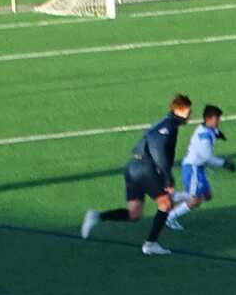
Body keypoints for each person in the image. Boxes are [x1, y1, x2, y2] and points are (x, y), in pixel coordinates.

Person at [80, 93, 190, 255]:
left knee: (134, 214)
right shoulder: (168, 127)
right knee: (166, 204)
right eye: (188, 111)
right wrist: (168, 179)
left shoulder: (165, 123)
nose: (190, 115)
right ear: (179, 110)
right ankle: (150, 244)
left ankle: (97, 217)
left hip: (132, 167)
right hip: (145, 168)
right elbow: (158, 151)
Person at [167, 103, 230, 228]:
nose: (219, 122)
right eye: (217, 119)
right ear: (209, 119)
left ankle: (174, 197)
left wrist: (218, 133)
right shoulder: (204, 137)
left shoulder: (206, 128)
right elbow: (208, 158)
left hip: (198, 168)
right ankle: (169, 217)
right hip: (193, 168)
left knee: (207, 195)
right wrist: (224, 163)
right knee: (195, 200)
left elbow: (213, 131)